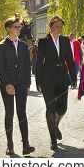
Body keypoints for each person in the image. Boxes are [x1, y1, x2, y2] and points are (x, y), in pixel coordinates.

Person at [0, 16, 35, 156]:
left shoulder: (24, 45)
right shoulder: (1, 46)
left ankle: (26, 145)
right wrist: (7, 84)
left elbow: (26, 66)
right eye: (16, 27)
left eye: (20, 27)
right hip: (7, 84)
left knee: (22, 113)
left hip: (22, 84)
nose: (19, 29)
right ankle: (10, 145)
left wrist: (28, 84)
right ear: (8, 29)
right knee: (9, 114)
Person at [35, 15, 75, 150]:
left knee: (62, 108)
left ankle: (55, 125)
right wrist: (38, 81)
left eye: (61, 26)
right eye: (57, 26)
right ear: (51, 26)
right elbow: (39, 62)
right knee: (51, 109)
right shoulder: (43, 41)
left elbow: (70, 59)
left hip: (63, 78)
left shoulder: (65, 40)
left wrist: (74, 77)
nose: (59, 28)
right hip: (48, 80)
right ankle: (53, 140)